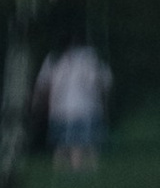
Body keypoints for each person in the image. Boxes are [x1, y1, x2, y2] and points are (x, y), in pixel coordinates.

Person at [39, 42, 111, 173]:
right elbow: (105, 82)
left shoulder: (55, 58)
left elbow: (43, 84)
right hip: (85, 109)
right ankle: (85, 173)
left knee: (64, 145)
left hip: (63, 110)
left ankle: (63, 173)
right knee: (86, 144)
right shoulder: (90, 57)